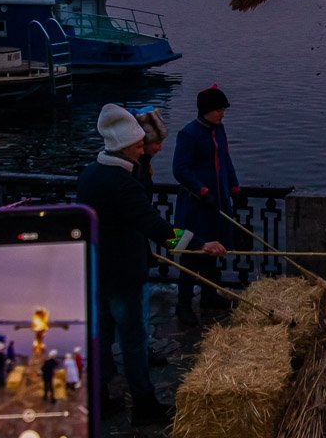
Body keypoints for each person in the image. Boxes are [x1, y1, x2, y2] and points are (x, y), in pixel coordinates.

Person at [77, 103, 225, 426]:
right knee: (134, 340)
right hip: (125, 276)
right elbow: (157, 229)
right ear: (127, 147)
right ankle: (144, 404)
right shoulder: (125, 185)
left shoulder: (89, 176)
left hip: (95, 271)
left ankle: (99, 398)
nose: (144, 149)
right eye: (139, 145)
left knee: (100, 337)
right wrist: (201, 246)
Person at [172, 84, 239, 325]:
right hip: (195, 205)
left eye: (223, 110)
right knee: (192, 253)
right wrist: (201, 190)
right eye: (219, 110)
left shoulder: (219, 130)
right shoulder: (189, 134)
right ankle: (184, 304)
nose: (222, 114)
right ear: (206, 110)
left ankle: (210, 294)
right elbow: (179, 169)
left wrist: (234, 186)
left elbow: (225, 159)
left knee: (214, 249)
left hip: (216, 202)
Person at [131, 106, 171, 364]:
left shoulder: (139, 168)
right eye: (155, 143)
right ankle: (140, 354)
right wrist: (189, 242)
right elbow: (148, 221)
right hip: (130, 256)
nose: (159, 148)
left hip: (134, 248)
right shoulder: (135, 174)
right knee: (135, 310)